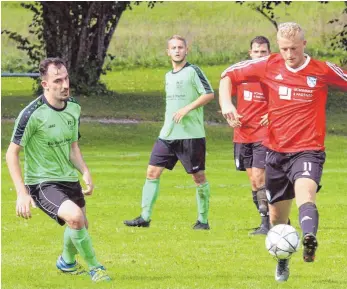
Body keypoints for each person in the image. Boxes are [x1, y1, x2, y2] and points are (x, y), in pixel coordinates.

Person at [219, 22, 347, 282]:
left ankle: (309, 237)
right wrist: (226, 104)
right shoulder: (269, 65)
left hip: (309, 150)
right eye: (284, 49)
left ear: (304, 45)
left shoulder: (321, 71)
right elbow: (228, 74)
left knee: (305, 191)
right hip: (276, 152)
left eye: (294, 49)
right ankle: (283, 258)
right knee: (278, 220)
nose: (289, 54)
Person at [6, 58, 111, 283]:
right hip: (42, 183)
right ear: (45, 85)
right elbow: (11, 154)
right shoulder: (31, 114)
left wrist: (84, 170)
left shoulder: (73, 107)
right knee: (75, 219)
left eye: (66, 78)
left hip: (68, 178)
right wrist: (22, 192)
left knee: (81, 223)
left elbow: (73, 147)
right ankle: (96, 268)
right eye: (57, 80)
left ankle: (67, 263)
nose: (64, 85)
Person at [124, 35, 214, 230]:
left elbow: (209, 93)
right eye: (173, 48)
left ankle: (203, 221)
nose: (177, 50)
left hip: (191, 135)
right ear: (168, 52)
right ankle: (144, 217)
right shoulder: (167, 76)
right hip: (167, 134)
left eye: (180, 47)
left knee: (198, 177)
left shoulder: (193, 71)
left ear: (186, 50)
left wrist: (186, 109)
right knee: (152, 172)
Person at [222, 36, 271, 235]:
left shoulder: (273, 75)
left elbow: (286, 97)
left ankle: (269, 224)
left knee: (260, 178)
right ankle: (269, 220)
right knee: (253, 182)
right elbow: (226, 97)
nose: (259, 56)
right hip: (242, 134)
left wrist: (273, 112)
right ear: (250, 53)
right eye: (256, 52)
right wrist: (229, 114)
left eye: (263, 52)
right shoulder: (241, 75)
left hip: (264, 133)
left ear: (269, 53)